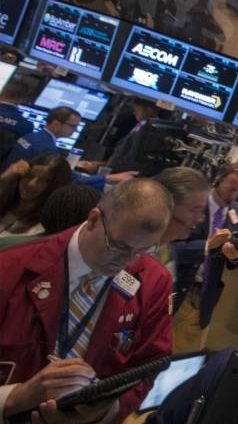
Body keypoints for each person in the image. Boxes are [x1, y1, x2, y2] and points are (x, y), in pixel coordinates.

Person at [0, 178, 174, 422]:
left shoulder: (154, 282)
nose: (127, 261)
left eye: (143, 251)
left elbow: (148, 366)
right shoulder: (9, 268)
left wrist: (103, 413)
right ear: (94, 219)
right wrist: (15, 398)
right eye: (118, 246)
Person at [171, 163, 238, 352]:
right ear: (218, 180)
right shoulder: (193, 204)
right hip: (175, 288)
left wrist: (235, 257)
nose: (234, 196)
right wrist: (207, 246)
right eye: (231, 189)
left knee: (185, 357)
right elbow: (168, 248)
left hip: (204, 297)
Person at [151, 167, 212, 288]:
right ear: (166, 205)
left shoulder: (167, 249)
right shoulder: (126, 254)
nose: (200, 218)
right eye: (195, 210)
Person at [77, 98, 159, 174]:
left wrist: (100, 168)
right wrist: (100, 164)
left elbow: (131, 160)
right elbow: (122, 154)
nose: (134, 113)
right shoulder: (141, 125)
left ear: (149, 110)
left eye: (136, 110)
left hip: (121, 174)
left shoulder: (151, 130)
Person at [0, 153, 73, 238]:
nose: (31, 184)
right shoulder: (7, 198)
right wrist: (4, 178)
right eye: (30, 175)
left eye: (43, 181)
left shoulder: (43, 226)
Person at [1, 106, 80, 170]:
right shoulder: (48, 149)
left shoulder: (30, 136)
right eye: (73, 126)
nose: (75, 130)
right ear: (56, 124)